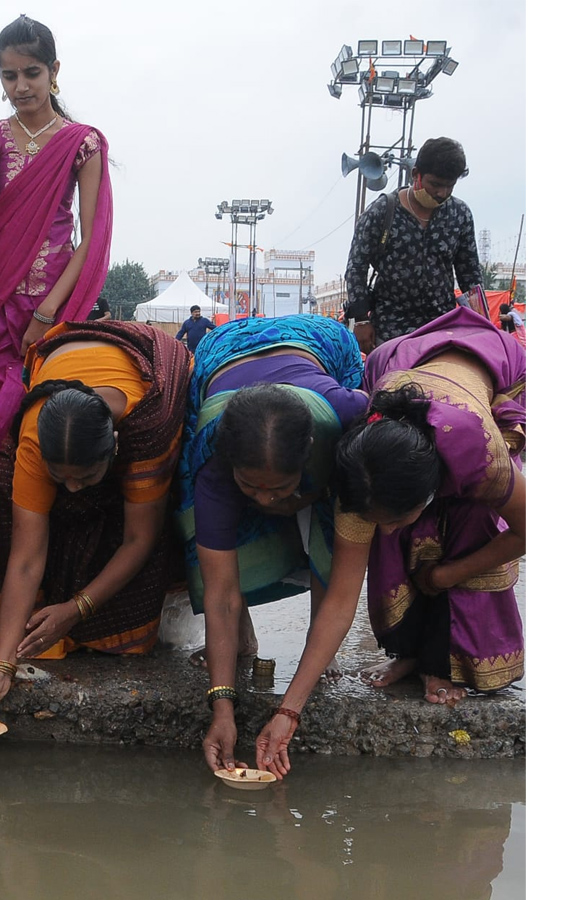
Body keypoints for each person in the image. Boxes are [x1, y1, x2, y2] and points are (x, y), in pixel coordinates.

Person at [250, 307, 525, 779]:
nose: (390, 532)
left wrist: (447, 574)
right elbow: (340, 601)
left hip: (489, 372)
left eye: (398, 516)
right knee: (397, 547)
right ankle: (415, 653)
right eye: (378, 519)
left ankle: (448, 660)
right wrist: (288, 710)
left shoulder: (479, 454)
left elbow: (531, 528)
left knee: (467, 525)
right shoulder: (360, 474)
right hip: (401, 364)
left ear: (434, 485)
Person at [0, 321, 191, 719]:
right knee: (3, 475)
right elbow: (26, 557)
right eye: (59, 476)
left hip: (141, 377)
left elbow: (140, 538)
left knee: (128, 506)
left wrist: (77, 607)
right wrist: (0, 668)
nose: (70, 488)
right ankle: (37, 609)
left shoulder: (146, 429)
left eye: (83, 477)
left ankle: (103, 617)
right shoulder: (37, 434)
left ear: (116, 447)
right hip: (69, 384)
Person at [174, 316, 367, 775]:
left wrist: (289, 709)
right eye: (250, 487)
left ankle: (321, 650)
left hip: (319, 343)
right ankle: (243, 640)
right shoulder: (214, 460)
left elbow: (345, 593)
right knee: (200, 527)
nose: (264, 501)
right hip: (222, 353)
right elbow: (220, 593)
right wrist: (222, 708)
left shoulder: (345, 420)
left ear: (309, 455)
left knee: (333, 521)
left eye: (278, 488)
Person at [0, 14, 114, 455]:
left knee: (44, 419)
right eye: (9, 76)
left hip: (55, 303)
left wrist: (47, 314)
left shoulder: (83, 143)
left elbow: (91, 238)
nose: (20, 86)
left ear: (54, 71)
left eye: (32, 73)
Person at [343, 137, 482, 346]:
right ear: (416, 174)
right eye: (435, 184)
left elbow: (470, 275)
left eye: (449, 186)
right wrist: (361, 321)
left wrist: (482, 322)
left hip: (442, 330)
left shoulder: (459, 215)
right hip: (390, 333)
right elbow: (356, 268)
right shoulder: (381, 212)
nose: (441, 193)